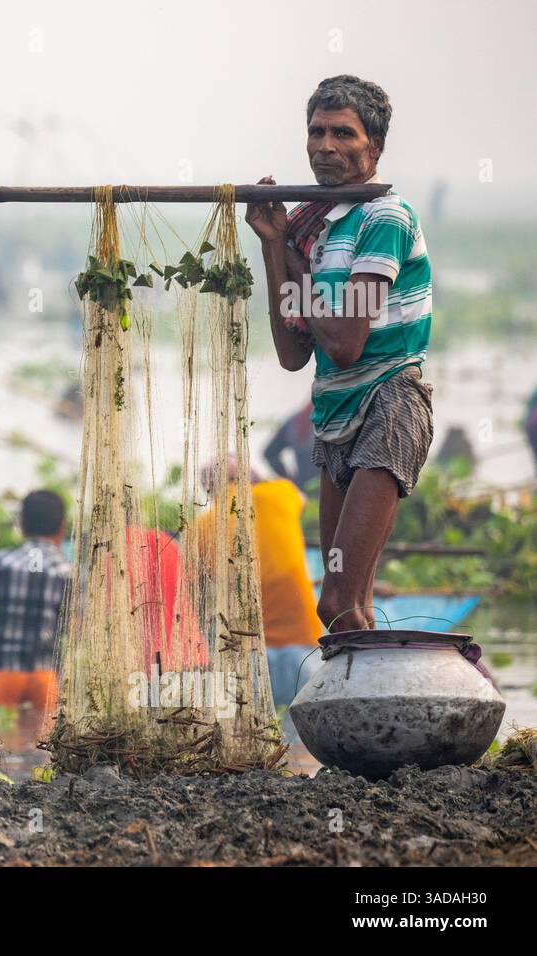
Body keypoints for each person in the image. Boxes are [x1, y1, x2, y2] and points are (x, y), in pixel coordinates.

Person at [247, 75, 434, 632]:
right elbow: (291, 352)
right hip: (334, 417)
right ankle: (375, 714)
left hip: (387, 406)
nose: (325, 146)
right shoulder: (319, 229)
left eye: (342, 134)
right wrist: (273, 247)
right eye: (316, 132)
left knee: (335, 599)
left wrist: (290, 257)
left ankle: (384, 709)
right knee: (349, 609)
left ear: (373, 148)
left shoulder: (384, 219)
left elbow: (347, 343)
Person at [195, 460, 324, 739]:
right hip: (303, 644)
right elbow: (302, 497)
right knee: (309, 738)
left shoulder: (201, 527)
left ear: (209, 490)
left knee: (259, 742)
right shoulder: (280, 493)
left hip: (249, 653)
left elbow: (200, 597)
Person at [0, 489, 72, 752]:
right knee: (42, 752)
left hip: (2, 671)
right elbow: (73, 626)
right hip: (45, 675)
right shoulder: (67, 572)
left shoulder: (1, 563)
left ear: (20, 524)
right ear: (61, 526)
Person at [263, 400, 320, 488]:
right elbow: (269, 453)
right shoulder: (338, 422)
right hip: (331, 490)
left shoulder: (295, 421)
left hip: (303, 487)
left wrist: (289, 480)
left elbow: (269, 453)